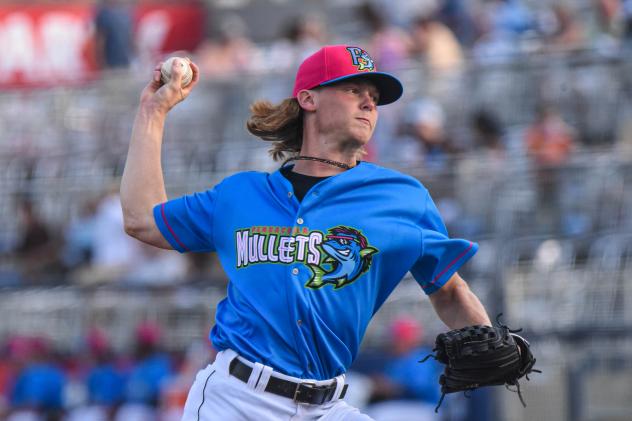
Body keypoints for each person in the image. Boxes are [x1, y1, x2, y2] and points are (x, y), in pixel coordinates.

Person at [121, 44, 492, 420]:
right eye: (353, 90)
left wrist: (490, 338)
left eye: (375, 98)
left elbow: (449, 289)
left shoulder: (402, 198)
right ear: (308, 98)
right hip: (236, 401)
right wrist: (153, 112)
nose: (369, 104)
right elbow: (142, 220)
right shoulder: (240, 195)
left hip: (328, 405)